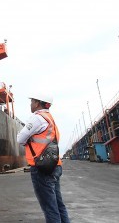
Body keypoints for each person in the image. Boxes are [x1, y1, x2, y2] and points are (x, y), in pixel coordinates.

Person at [17, 94, 70, 223]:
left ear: (37, 103)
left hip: (42, 168)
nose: (30, 104)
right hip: (54, 165)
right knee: (58, 205)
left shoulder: (37, 118)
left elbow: (20, 139)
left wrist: (27, 140)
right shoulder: (50, 118)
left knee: (50, 209)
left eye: (32, 101)